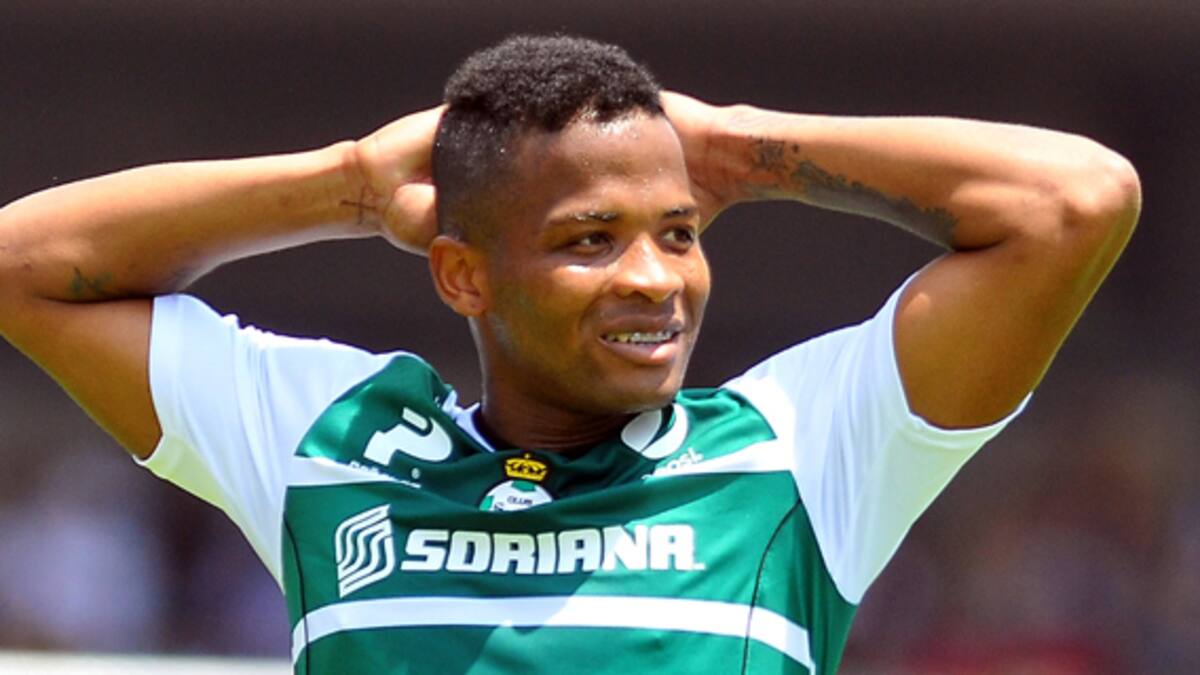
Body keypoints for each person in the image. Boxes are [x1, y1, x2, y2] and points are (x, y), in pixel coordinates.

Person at [0, 34, 1139, 674]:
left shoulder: (800, 452)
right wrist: (348, 183)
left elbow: (1074, 202)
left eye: (679, 232)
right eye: (591, 240)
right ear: (462, 276)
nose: (655, 277)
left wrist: (743, 147)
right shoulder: (331, 442)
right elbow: (22, 263)